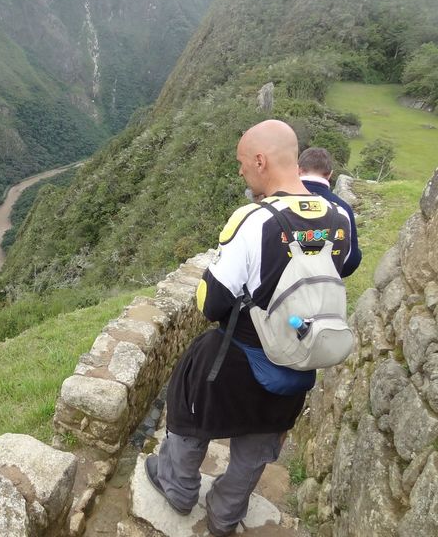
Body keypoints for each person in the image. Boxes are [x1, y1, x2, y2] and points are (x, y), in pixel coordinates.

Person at [145, 120, 352, 536]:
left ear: (260, 161)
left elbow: (211, 303)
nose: (240, 171)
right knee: (258, 442)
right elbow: (344, 268)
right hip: (298, 360)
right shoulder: (341, 217)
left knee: (187, 404)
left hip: (238, 356)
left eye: (242, 163)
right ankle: (225, 514)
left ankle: (179, 486)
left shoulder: (255, 220)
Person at [298, 147, 362, 276]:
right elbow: (352, 259)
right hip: (325, 286)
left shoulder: (276, 202)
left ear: (298, 170)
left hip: (280, 289)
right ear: (330, 174)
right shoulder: (343, 208)